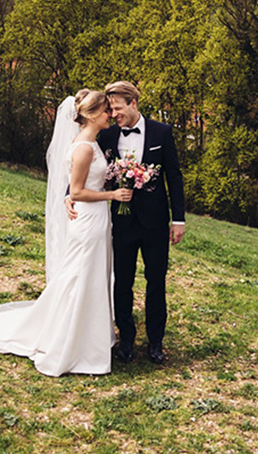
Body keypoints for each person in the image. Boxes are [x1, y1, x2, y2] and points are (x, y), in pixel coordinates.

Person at [0, 90, 132, 377]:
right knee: (81, 277)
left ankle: (89, 337)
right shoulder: (85, 147)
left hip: (95, 221)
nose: (110, 114)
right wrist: (113, 194)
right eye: (107, 111)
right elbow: (77, 191)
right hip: (88, 221)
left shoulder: (88, 142)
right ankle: (71, 342)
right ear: (93, 114)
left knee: (90, 276)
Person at [69, 81, 185, 364]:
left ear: (133, 103)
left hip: (156, 223)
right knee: (122, 282)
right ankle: (126, 341)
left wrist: (178, 219)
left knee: (156, 282)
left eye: (117, 108)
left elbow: (174, 177)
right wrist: (67, 195)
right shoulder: (107, 136)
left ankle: (156, 343)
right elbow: (81, 165)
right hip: (121, 223)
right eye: (110, 109)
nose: (114, 114)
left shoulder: (162, 132)